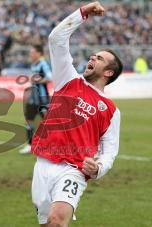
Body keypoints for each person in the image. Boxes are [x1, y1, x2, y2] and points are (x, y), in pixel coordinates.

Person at [31, 2, 123, 226]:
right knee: (47, 224)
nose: (92, 59)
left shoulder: (111, 111)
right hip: (43, 163)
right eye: (93, 56)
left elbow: (110, 151)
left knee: (56, 220)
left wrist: (99, 168)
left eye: (99, 59)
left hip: (73, 170)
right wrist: (82, 13)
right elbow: (56, 39)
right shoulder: (68, 79)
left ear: (108, 73)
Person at [19, 45, 52, 154]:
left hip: (42, 100)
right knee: (29, 121)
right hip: (33, 99)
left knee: (47, 123)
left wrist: (38, 80)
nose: (31, 54)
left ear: (39, 53)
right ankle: (30, 146)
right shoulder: (34, 64)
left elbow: (49, 77)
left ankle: (51, 146)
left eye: (32, 52)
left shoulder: (43, 63)